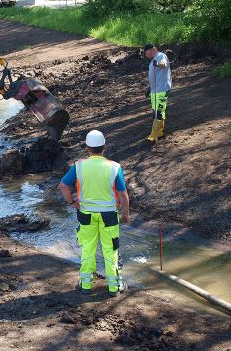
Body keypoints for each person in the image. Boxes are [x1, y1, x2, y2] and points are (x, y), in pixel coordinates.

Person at [58, 130, 130, 297]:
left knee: (87, 248)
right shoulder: (114, 167)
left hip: (86, 215)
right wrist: (125, 214)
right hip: (109, 216)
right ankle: (114, 287)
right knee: (110, 250)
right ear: (104, 147)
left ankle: (85, 284)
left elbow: (63, 186)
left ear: (87, 148)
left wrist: (71, 202)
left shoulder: (79, 166)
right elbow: (123, 195)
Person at [144, 44, 172, 141]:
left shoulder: (160, 56)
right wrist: (150, 88)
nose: (146, 55)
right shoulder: (154, 59)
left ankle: (155, 134)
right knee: (156, 111)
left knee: (158, 112)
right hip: (155, 90)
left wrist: (158, 64)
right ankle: (158, 132)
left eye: (146, 53)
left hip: (161, 90)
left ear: (150, 50)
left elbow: (163, 64)